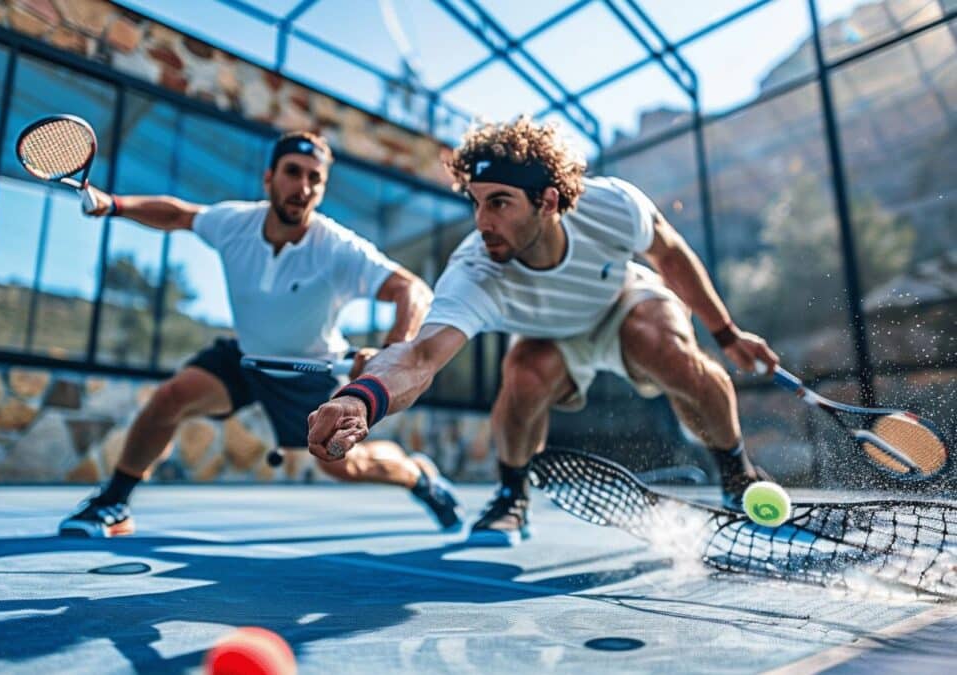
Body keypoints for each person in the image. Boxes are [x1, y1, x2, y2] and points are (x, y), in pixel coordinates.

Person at [307, 117, 779, 546]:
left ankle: (736, 473)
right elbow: (420, 357)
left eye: (499, 203)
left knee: (669, 351)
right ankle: (512, 494)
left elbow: (671, 256)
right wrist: (360, 399)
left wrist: (726, 332)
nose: (481, 221)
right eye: (475, 203)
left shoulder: (613, 205)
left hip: (621, 302)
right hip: (547, 334)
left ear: (548, 201)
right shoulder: (474, 269)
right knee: (525, 374)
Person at [59, 131, 463, 537]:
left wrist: (391, 351)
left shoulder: (338, 247)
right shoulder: (234, 223)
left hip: (311, 369)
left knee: (343, 465)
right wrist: (115, 204)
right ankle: (113, 503)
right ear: (269, 177)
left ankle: (417, 476)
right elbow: (179, 215)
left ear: (321, 189)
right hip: (248, 356)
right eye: (292, 172)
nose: (302, 187)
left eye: (314, 179)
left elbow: (411, 290)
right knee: (170, 398)